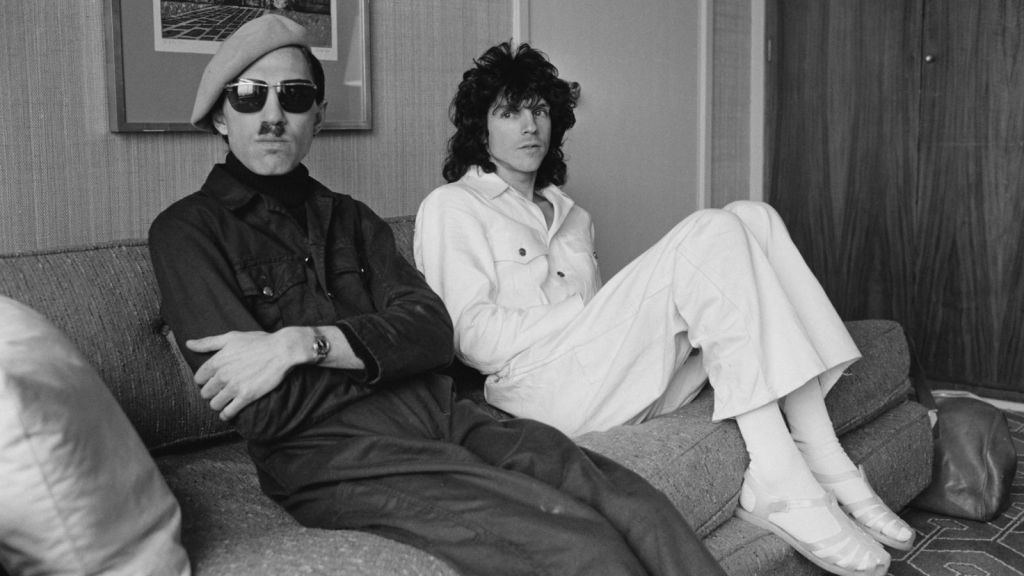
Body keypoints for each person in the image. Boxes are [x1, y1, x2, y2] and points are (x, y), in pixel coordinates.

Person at [149, 15, 727, 576]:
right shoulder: (186, 233)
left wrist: (302, 345)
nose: (273, 116)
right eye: (249, 96)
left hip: (449, 416)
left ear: (317, 115)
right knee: (577, 546)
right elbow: (265, 410)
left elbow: (431, 331)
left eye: (294, 96)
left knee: (634, 504)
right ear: (221, 116)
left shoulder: (352, 219)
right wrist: (382, 351)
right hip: (338, 457)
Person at [415, 41, 917, 576]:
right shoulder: (453, 207)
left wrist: (605, 314)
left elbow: (609, 334)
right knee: (711, 229)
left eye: (539, 110)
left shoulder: (573, 215)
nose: (529, 125)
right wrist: (586, 311)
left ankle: (823, 452)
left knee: (753, 217)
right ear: (481, 129)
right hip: (542, 391)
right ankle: (781, 479)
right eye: (510, 112)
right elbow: (470, 338)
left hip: (611, 379)